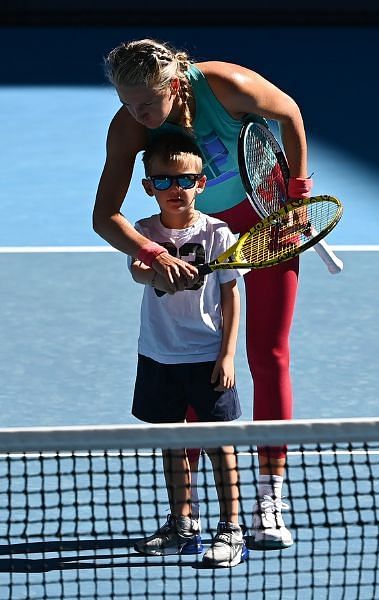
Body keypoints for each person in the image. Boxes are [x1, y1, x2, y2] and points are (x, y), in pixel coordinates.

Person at [96, 38, 305, 549]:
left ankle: (268, 496)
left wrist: (295, 197)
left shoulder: (225, 85)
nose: (137, 113)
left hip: (263, 223)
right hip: (193, 235)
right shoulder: (128, 129)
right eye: (127, 102)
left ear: (172, 85)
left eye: (146, 102)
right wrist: (154, 251)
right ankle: (184, 513)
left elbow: (291, 115)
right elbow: (105, 216)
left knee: (268, 353)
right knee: (194, 361)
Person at [128, 133, 248, 568]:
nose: (174, 189)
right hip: (159, 354)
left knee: (220, 444)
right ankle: (182, 525)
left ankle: (231, 529)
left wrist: (228, 354)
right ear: (148, 187)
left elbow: (233, 294)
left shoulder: (218, 233)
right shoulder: (143, 233)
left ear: (201, 183)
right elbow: (141, 273)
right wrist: (161, 271)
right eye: (162, 181)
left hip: (206, 354)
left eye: (185, 179)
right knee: (172, 441)